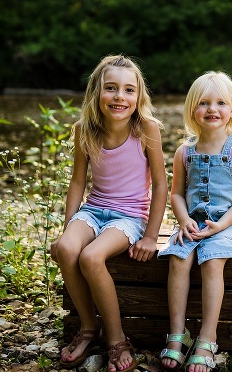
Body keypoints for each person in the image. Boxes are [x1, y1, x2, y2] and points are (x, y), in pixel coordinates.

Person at [51, 54, 168, 372]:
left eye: (129, 90)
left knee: (90, 257)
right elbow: (78, 182)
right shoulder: (84, 130)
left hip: (129, 216)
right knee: (66, 249)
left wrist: (151, 235)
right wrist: (68, 227)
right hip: (93, 209)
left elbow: (160, 184)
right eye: (111, 88)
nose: (120, 97)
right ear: (96, 93)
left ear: (138, 96)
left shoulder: (146, 129)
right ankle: (89, 328)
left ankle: (117, 340)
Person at [158, 71, 232, 372]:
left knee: (212, 261)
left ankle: (207, 337)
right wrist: (184, 218)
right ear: (192, 110)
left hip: (227, 225)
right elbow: (176, 195)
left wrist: (222, 224)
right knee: (178, 258)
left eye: (220, 103)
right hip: (193, 223)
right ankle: (177, 335)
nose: (212, 109)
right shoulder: (184, 152)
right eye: (203, 103)